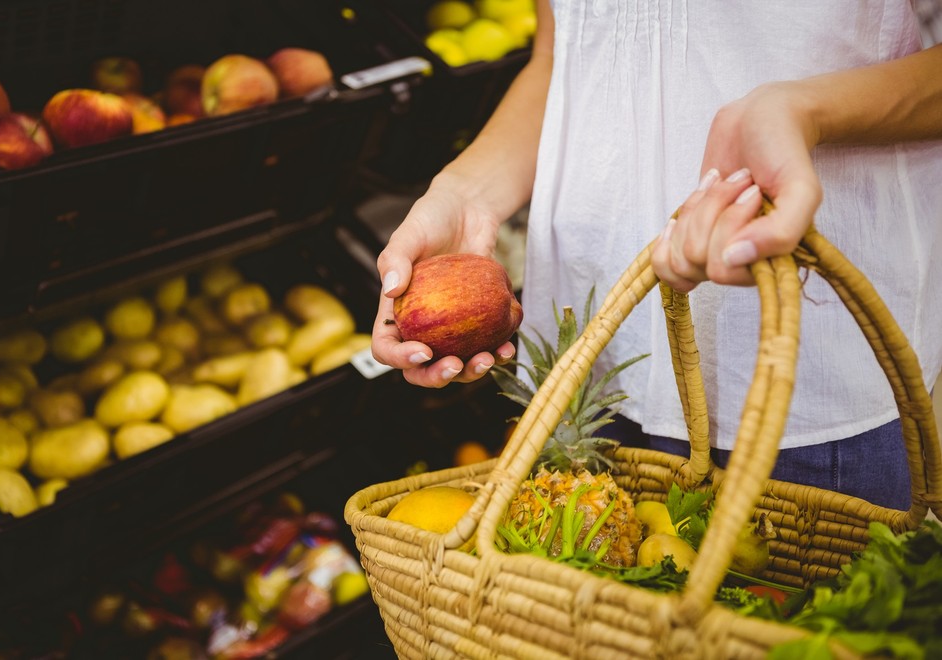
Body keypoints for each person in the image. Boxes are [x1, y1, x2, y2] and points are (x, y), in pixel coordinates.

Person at [371, 1, 942, 510]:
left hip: (801, 376)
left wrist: (805, 110)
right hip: (589, 360)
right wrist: (467, 196)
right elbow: (562, 57)